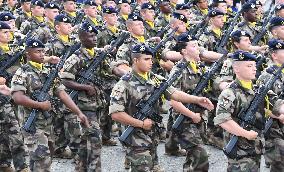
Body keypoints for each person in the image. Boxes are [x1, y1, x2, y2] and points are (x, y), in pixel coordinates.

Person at [109, 43, 214, 171]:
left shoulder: (155, 79)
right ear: (135, 60)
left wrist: (197, 99)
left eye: (151, 59)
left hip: (153, 136)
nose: (151, 62)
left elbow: (174, 93)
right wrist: (140, 124)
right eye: (146, 59)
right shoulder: (124, 84)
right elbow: (115, 114)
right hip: (136, 139)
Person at [11, 38, 89, 172]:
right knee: (43, 160)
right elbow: (17, 97)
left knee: (45, 158)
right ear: (28, 55)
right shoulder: (22, 72)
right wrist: (40, 105)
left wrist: (79, 113)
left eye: (43, 51)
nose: (42, 54)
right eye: (37, 52)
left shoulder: (48, 71)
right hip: (33, 126)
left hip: (48, 123)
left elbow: (62, 93)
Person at [214, 50, 284, 171]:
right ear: (237, 69)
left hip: (255, 146)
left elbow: (278, 105)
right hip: (239, 150)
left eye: (254, 66)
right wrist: (246, 134)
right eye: (249, 66)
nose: (254, 69)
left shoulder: (259, 90)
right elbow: (223, 120)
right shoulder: (229, 93)